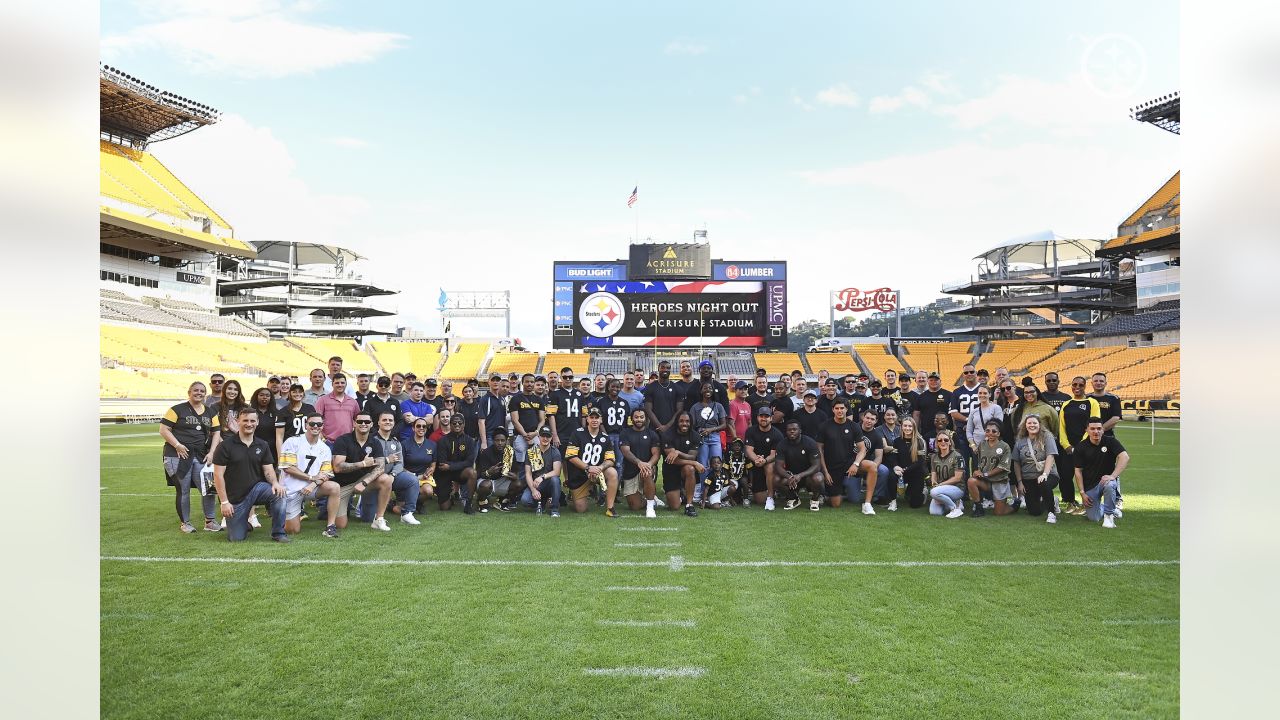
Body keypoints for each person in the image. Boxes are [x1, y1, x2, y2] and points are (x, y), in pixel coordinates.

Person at [210, 408, 288, 542]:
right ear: (237, 421)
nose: (249, 424)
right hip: (236, 497)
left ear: (257, 422)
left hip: (257, 489)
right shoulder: (225, 446)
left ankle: (279, 533)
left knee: (279, 493)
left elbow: (268, 470)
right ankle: (244, 524)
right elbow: (218, 476)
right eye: (245, 420)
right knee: (236, 538)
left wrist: (275, 483)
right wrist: (224, 502)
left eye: (252, 420)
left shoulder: (262, 445)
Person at [160, 382, 222, 533]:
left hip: (201, 455)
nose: (199, 393)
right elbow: (163, 429)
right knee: (183, 489)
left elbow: (216, 433)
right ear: (189, 392)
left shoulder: (210, 412)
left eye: (202, 391)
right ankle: (185, 523)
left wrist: (212, 452)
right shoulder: (176, 409)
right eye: (196, 390)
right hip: (178, 455)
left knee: (209, 488)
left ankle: (210, 521)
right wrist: (177, 445)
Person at [278, 413, 340, 536]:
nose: (315, 426)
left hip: (312, 488)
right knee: (292, 530)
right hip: (291, 490)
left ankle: (331, 526)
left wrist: (312, 484)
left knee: (334, 487)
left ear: (322, 426)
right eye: (312, 424)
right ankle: (283, 514)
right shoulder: (293, 441)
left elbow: (325, 473)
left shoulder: (325, 448)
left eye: (319, 424)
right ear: (306, 425)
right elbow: (288, 468)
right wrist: (310, 477)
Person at [330, 411, 394, 531]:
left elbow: (380, 467)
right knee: (340, 525)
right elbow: (337, 467)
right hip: (342, 486)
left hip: (364, 481)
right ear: (354, 423)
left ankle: (379, 519)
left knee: (386, 479)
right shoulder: (343, 440)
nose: (363, 424)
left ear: (371, 424)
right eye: (360, 421)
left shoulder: (375, 442)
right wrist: (363, 464)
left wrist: (364, 482)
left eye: (367, 422)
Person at [362, 411, 422, 525]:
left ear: (394, 423)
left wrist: (393, 474)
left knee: (412, 480)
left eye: (390, 420)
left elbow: (400, 464)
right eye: (384, 420)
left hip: (391, 477)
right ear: (378, 423)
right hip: (372, 479)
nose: (387, 422)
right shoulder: (370, 440)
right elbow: (367, 462)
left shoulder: (396, 442)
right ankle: (365, 504)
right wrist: (386, 460)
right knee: (368, 518)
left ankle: (407, 513)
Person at [1055, 377, 1101, 516]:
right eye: (1074, 384)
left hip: (1086, 447)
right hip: (1068, 448)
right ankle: (1070, 501)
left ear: (1085, 386)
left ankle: (1087, 503)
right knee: (1065, 475)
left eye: (1081, 385)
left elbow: (1093, 425)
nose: (1077, 387)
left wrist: (1081, 445)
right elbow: (1061, 426)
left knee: (1087, 476)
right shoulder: (1067, 404)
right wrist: (1066, 445)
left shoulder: (1091, 402)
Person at [1073, 418, 1129, 528]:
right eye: (1092, 429)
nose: (1096, 431)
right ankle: (1110, 508)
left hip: (1106, 481)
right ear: (1087, 430)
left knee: (1110, 484)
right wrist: (1082, 493)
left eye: (1099, 428)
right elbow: (1078, 471)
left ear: (1103, 430)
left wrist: (1113, 476)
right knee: (1094, 518)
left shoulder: (1111, 441)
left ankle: (1109, 516)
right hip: (1090, 485)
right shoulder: (1080, 447)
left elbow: (1124, 457)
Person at [564, 408, 620, 515]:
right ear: (587, 419)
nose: (594, 420)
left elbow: (611, 460)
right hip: (579, 474)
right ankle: (579, 493)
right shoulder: (577, 433)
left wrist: (600, 468)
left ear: (601, 420)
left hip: (598, 472)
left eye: (597, 417)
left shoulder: (605, 438)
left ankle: (610, 508)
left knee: (612, 472)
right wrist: (588, 468)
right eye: (591, 417)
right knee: (581, 509)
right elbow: (571, 456)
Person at [1013, 415, 1060, 523]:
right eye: (1029, 423)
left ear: (1039, 425)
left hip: (1048, 474)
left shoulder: (1047, 436)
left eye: (1034, 423)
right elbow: (1016, 462)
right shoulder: (1020, 441)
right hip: (1028, 477)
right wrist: (1020, 482)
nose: (1032, 425)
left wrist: (1044, 474)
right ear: (1025, 425)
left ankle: (1051, 513)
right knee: (1034, 511)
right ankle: (1053, 500)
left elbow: (1050, 455)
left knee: (1043, 483)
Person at [1088, 371, 1125, 510]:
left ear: (1105, 383)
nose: (1098, 383)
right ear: (1092, 383)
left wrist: (1099, 429)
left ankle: (1117, 498)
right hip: (1089, 440)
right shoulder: (1087, 398)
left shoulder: (1113, 398)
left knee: (1111, 467)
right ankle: (1091, 496)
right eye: (1096, 381)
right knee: (1090, 468)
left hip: (1108, 438)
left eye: (1101, 381)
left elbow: (1116, 418)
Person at [688, 382, 728, 503]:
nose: (708, 390)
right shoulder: (695, 407)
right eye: (705, 388)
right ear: (701, 391)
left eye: (710, 388)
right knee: (703, 465)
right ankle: (703, 493)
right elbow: (692, 425)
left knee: (717, 463)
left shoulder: (718, 406)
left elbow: (724, 424)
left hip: (715, 437)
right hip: (701, 438)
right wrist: (699, 432)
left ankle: (716, 492)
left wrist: (711, 429)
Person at [817, 398, 861, 510]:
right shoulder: (824, 426)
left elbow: (863, 449)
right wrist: (825, 472)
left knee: (855, 499)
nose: (839, 410)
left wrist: (855, 464)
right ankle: (827, 493)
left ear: (847, 409)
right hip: (832, 467)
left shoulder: (854, 426)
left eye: (842, 408)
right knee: (836, 504)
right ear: (833, 410)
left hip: (849, 465)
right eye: (837, 408)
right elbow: (819, 450)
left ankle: (868, 502)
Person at [967, 421, 1015, 518]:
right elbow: (981, 462)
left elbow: (1003, 467)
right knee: (971, 481)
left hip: (999, 481)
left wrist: (985, 474)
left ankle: (1014, 506)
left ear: (999, 433)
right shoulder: (982, 444)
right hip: (986, 482)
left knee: (998, 513)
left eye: (994, 431)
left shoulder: (1005, 446)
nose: (990, 433)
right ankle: (978, 507)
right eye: (987, 431)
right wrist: (978, 471)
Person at [619, 407, 661, 517]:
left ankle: (650, 508)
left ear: (646, 419)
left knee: (647, 471)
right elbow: (625, 451)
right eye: (636, 417)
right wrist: (639, 462)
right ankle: (651, 499)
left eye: (642, 417)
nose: (639, 419)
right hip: (630, 471)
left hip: (647, 468)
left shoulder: (652, 434)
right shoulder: (625, 433)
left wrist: (649, 464)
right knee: (635, 506)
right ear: (632, 419)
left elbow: (656, 454)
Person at [774, 420, 824, 511]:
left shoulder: (810, 443)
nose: (792, 431)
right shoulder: (782, 444)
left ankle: (815, 500)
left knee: (819, 477)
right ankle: (794, 498)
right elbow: (778, 466)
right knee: (776, 479)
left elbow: (817, 466)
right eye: (789, 430)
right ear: (786, 432)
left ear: (800, 430)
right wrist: (788, 476)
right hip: (791, 477)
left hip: (808, 477)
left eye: (794, 429)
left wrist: (800, 475)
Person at [660, 411, 702, 516]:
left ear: (691, 422)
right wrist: (694, 462)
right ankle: (681, 494)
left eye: (687, 421)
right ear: (677, 422)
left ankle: (689, 505)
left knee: (690, 469)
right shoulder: (667, 435)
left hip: (685, 469)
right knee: (675, 506)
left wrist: (678, 452)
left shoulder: (695, 436)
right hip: (671, 469)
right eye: (681, 421)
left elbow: (692, 455)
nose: (684, 424)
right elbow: (673, 460)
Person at [435, 414, 479, 513]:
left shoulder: (469, 441)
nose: (457, 425)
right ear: (450, 425)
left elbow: (469, 462)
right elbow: (442, 464)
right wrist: (456, 465)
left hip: (460, 472)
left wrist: (450, 466)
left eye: (460, 423)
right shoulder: (443, 440)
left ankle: (468, 503)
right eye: (454, 423)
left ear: (464, 424)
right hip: (444, 474)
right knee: (444, 507)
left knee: (472, 472)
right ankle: (450, 498)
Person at [744, 406, 782, 510]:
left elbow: (774, 454)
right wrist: (756, 459)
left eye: (766, 416)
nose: (764, 419)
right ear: (757, 418)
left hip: (770, 463)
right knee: (760, 501)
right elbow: (749, 450)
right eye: (761, 416)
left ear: (771, 418)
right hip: (756, 464)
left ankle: (770, 497)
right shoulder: (751, 431)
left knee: (769, 466)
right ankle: (769, 492)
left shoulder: (777, 434)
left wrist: (764, 460)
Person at [508, 373, 545, 477]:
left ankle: (536, 488)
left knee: (536, 464)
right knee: (521, 465)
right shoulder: (515, 399)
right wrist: (525, 435)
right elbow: (515, 420)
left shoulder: (539, 400)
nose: (530, 384)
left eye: (532, 382)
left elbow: (542, 420)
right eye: (527, 381)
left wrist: (536, 433)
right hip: (520, 436)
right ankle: (520, 491)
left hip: (536, 436)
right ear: (522, 383)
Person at [522, 427, 563, 516]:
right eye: (543, 436)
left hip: (549, 483)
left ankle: (554, 509)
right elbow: (528, 474)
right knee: (525, 500)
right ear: (539, 437)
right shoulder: (531, 451)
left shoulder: (555, 451)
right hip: (536, 485)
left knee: (555, 479)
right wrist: (533, 490)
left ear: (551, 438)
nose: (545, 439)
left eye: (548, 436)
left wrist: (542, 477)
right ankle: (542, 503)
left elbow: (557, 472)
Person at [891, 417, 930, 509]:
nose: (907, 428)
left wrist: (905, 469)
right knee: (891, 476)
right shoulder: (897, 441)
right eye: (905, 426)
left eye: (910, 426)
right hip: (900, 471)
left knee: (915, 504)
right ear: (901, 427)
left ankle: (922, 492)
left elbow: (920, 461)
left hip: (915, 472)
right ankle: (892, 500)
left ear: (914, 427)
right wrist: (896, 466)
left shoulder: (920, 441)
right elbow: (894, 457)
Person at [401, 416, 438, 513]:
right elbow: (400, 466)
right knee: (399, 509)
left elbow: (433, 464)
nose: (421, 428)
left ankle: (417, 504)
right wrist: (414, 476)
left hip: (424, 477)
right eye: (418, 426)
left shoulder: (432, 444)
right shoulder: (404, 444)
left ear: (426, 428)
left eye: (424, 426)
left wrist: (430, 470)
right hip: (408, 476)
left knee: (429, 492)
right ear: (413, 428)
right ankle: (406, 503)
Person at [927, 433, 967, 519]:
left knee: (934, 492)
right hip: (941, 489)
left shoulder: (958, 456)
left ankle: (954, 508)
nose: (943, 442)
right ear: (937, 443)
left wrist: (941, 485)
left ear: (950, 442)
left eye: (946, 440)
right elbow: (933, 473)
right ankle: (955, 502)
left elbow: (957, 478)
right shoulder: (934, 456)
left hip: (957, 488)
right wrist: (934, 482)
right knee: (935, 512)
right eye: (940, 440)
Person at [873, 406, 904, 511]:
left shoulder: (901, 428)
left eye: (893, 415)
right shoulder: (879, 429)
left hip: (900, 459)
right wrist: (900, 448)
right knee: (887, 473)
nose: (890, 417)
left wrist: (898, 449)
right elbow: (885, 448)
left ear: (896, 416)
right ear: (884, 417)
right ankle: (879, 496)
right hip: (885, 460)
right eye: (888, 415)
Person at [642, 360, 683, 438]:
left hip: (672, 429)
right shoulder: (650, 387)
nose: (665, 370)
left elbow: (679, 410)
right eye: (663, 367)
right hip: (654, 429)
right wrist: (660, 426)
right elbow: (648, 409)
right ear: (658, 369)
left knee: (671, 450)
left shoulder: (677, 388)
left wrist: (667, 426)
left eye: (668, 368)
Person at [315, 374, 360, 445]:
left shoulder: (353, 402)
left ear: (346, 384)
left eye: (342, 383)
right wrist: (322, 438)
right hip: (329, 442)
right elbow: (316, 420)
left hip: (348, 442)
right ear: (332, 384)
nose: (340, 385)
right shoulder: (323, 400)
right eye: (337, 383)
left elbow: (358, 421)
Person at [963, 385, 1004, 462]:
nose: (982, 395)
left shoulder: (996, 408)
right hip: (976, 448)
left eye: (985, 393)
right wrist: (973, 445)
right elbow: (969, 430)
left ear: (990, 395)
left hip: (991, 445)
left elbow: (998, 426)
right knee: (977, 471)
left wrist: (986, 442)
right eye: (980, 393)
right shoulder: (974, 411)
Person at [913, 371, 953, 442]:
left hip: (946, 432)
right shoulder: (921, 397)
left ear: (940, 381)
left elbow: (953, 414)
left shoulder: (949, 395)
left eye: (936, 380)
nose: (933, 382)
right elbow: (916, 414)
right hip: (926, 432)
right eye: (931, 380)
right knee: (929, 452)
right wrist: (916, 430)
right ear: (928, 381)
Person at [248, 387, 282, 464]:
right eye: (261, 395)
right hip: (253, 447)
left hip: (272, 449)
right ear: (256, 396)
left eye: (267, 395)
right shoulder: (250, 412)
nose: (264, 397)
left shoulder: (276, 413)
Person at [365, 375, 404, 440]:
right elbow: (367, 420)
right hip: (374, 438)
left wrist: (391, 433)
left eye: (386, 385)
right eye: (381, 385)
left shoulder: (395, 402)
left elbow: (400, 421)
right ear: (377, 386)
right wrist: (377, 434)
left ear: (389, 387)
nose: (383, 387)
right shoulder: (369, 403)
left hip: (392, 438)